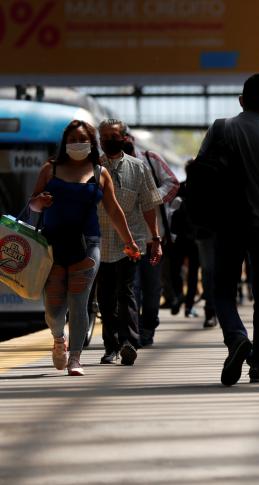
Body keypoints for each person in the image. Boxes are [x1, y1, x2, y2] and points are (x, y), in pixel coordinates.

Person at [197, 73, 259, 386]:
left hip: (227, 224)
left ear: (241, 100)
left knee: (222, 289)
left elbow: (201, 172)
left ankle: (237, 337)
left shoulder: (220, 127)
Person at [29, 120, 140, 376]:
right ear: (64, 143)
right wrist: (40, 202)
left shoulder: (100, 172)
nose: (75, 143)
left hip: (88, 244)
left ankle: (75, 358)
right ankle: (59, 339)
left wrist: (129, 241)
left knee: (79, 302)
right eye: (71, 139)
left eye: (81, 138)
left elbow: (113, 209)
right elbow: (32, 205)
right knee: (54, 308)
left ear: (91, 142)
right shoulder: (50, 169)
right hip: (52, 245)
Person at [96, 119, 163, 366]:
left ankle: (128, 343)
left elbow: (148, 206)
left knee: (127, 292)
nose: (107, 141)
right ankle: (110, 346)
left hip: (130, 241)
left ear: (124, 138)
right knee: (105, 296)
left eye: (112, 136)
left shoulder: (138, 168)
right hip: (100, 243)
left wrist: (155, 239)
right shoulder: (92, 168)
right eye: (103, 137)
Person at [123, 134, 180, 347]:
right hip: (126, 242)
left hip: (152, 240)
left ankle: (148, 327)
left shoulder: (150, 159)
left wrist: (152, 197)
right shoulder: (108, 165)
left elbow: (173, 183)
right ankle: (132, 333)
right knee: (132, 289)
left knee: (152, 288)